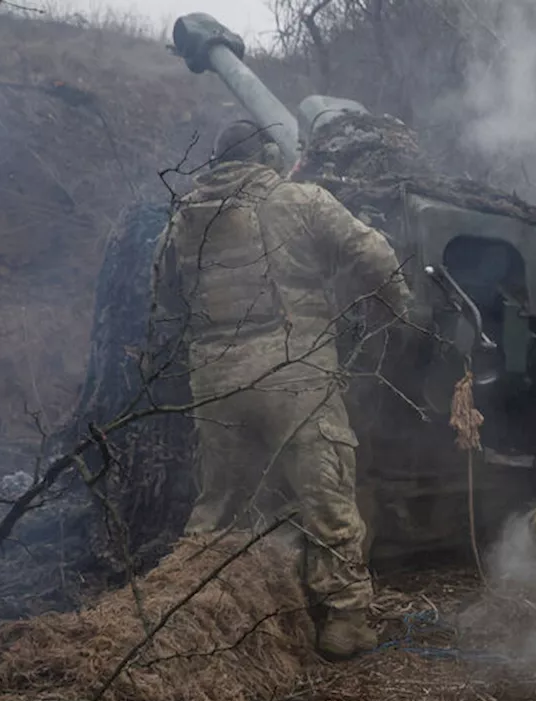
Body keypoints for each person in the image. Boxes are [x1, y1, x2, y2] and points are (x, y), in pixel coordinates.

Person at [150, 119, 412, 661]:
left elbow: (164, 298)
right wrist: (397, 308)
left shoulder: (183, 218)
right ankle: (344, 622)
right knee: (325, 495)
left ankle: (178, 613)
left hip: (216, 378)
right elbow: (376, 255)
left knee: (219, 503)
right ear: (267, 155)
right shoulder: (298, 199)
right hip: (294, 374)